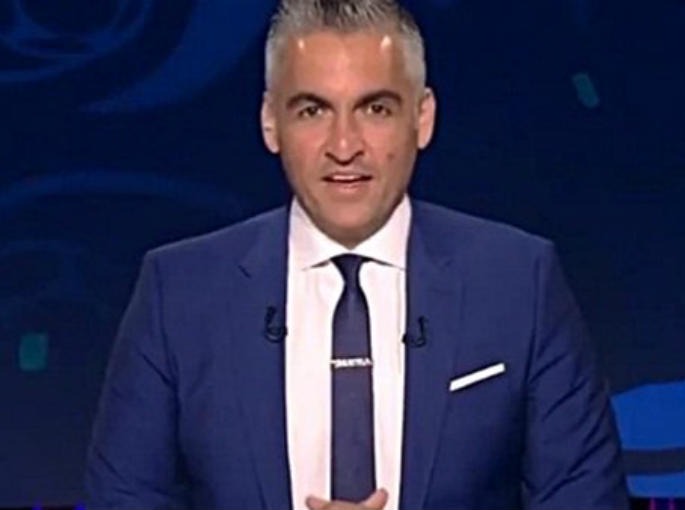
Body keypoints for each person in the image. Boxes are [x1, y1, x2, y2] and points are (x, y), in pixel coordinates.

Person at [85, 1, 629, 508]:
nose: (344, 146)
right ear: (271, 122)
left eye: (375, 108)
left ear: (422, 118)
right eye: (313, 110)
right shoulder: (178, 293)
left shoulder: (519, 283)